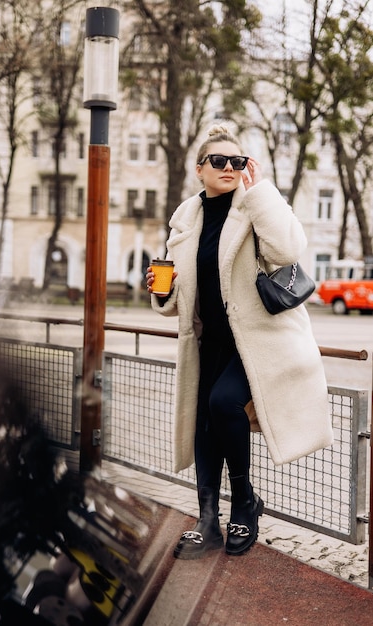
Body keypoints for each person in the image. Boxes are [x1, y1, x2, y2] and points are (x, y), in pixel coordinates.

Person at [146, 123, 334, 560]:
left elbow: (288, 249)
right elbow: (177, 297)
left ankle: (244, 503)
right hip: (208, 340)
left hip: (258, 341)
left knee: (222, 403)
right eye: (219, 161)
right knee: (203, 424)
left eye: (238, 161)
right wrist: (160, 289)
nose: (229, 168)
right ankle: (207, 520)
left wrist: (260, 189)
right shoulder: (185, 218)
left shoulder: (253, 206)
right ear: (200, 169)